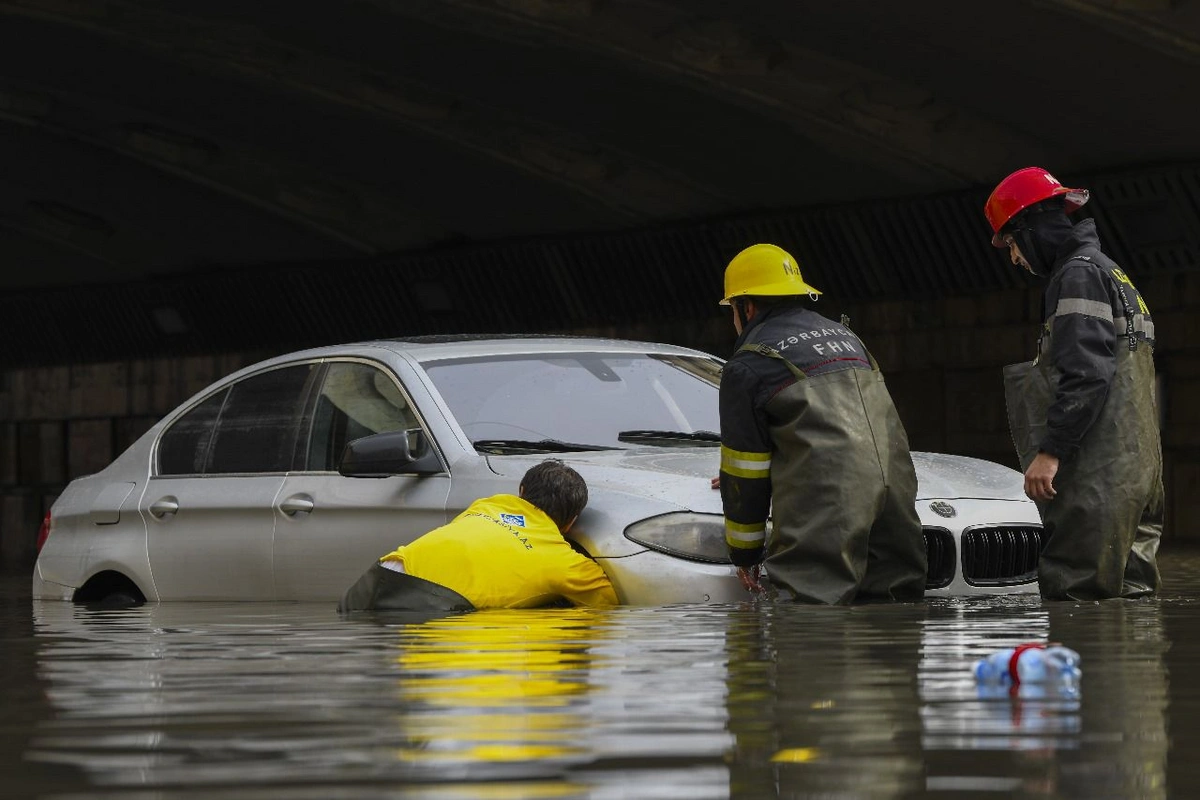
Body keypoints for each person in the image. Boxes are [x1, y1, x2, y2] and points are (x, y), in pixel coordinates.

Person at [986, 166, 1164, 600]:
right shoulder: (1115, 274)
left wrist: (1050, 452)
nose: (1014, 259)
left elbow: (1086, 372)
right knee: (1133, 601)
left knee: (1078, 599)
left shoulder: (1076, 274)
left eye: (1011, 244)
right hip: (1138, 470)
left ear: (1030, 229)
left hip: (1097, 475)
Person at [716, 242, 928, 604]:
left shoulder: (748, 364)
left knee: (811, 621)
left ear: (745, 307)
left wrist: (745, 554)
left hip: (827, 506)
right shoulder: (849, 339)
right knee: (895, 615)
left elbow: (745, 475)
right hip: (896, 497)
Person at [338, 458, 619, 612]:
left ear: (521, 491)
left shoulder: (487, 505)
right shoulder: (565, 563)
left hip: (379, 576)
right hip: (427, 603)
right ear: (571, 522)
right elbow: (609, 605)